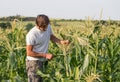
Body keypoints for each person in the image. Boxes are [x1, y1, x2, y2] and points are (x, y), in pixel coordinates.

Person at [26, 14, 69, 82]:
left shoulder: (47, 26)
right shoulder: (31, 34)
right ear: (38, 25)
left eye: (46, 26)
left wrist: (61, 42)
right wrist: (45, 55)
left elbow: (51, 36)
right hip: (33, 62)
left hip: (42, 60)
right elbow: (29, 53)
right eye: (44, 27)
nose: (46, 29)